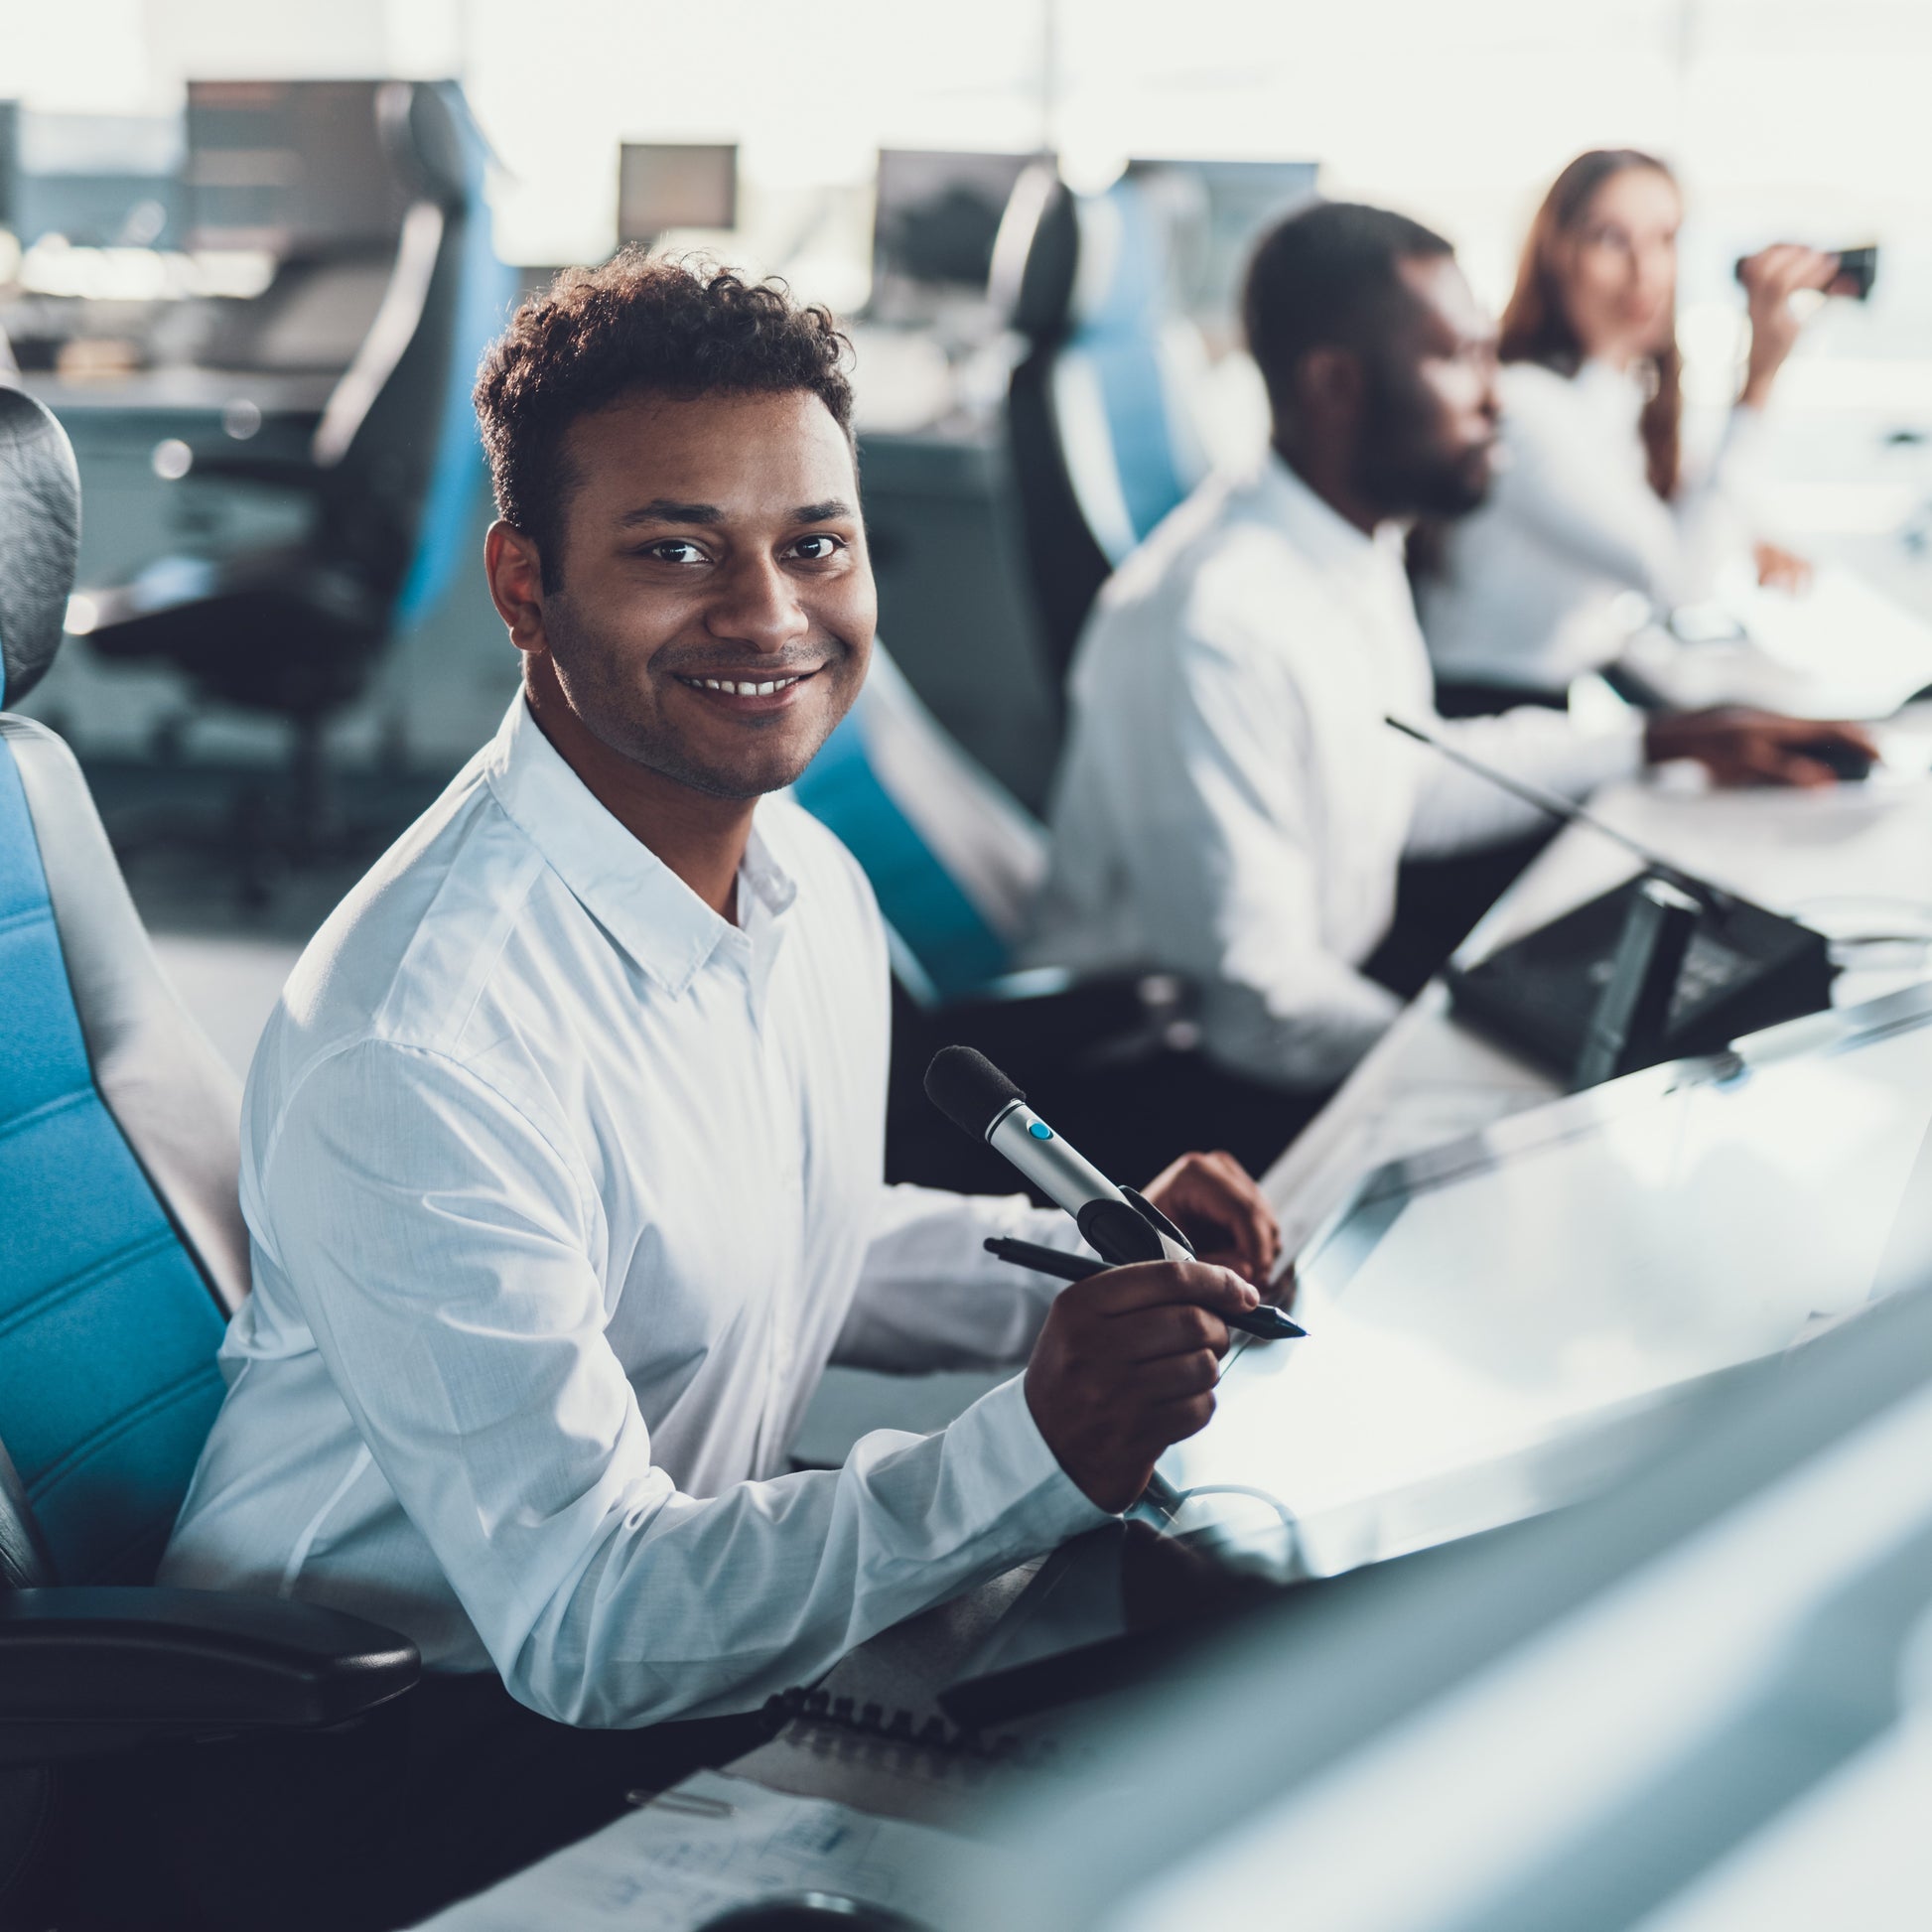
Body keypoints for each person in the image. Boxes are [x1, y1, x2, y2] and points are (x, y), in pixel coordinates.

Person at [140, 256, 1282, 1932]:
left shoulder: (800, 874)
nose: (769, 613)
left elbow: (776, 1224)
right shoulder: (430, 1042)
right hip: (388, 1767)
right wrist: (1034, 1443)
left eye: (813, 541)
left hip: (657, 1663)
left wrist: (1087, 1263)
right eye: (676, 550)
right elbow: (587, 1622)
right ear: (524, 586)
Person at [1025, 202, 1873, 1113]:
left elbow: (1407, 784)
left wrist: (1662, 740)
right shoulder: (1216, 622)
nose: (1497, 395)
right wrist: (1517, 1076)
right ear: (1334, 384)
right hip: (1172, 1083)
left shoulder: (1348, 540)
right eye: (1459, 357)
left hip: (1320, 999)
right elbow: (1260, 1006)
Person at [1418, 148, 1849, 707]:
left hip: (1538, 702)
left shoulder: (1606, 397)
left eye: (1664, 239)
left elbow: (1655, 499)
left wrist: (1750, 533)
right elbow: (1681, 580)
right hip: (1483, 717)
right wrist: (1759, 380)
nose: (1645, 271)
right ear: (1556, 255)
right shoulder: (1526, 406)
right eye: (1610, 239)